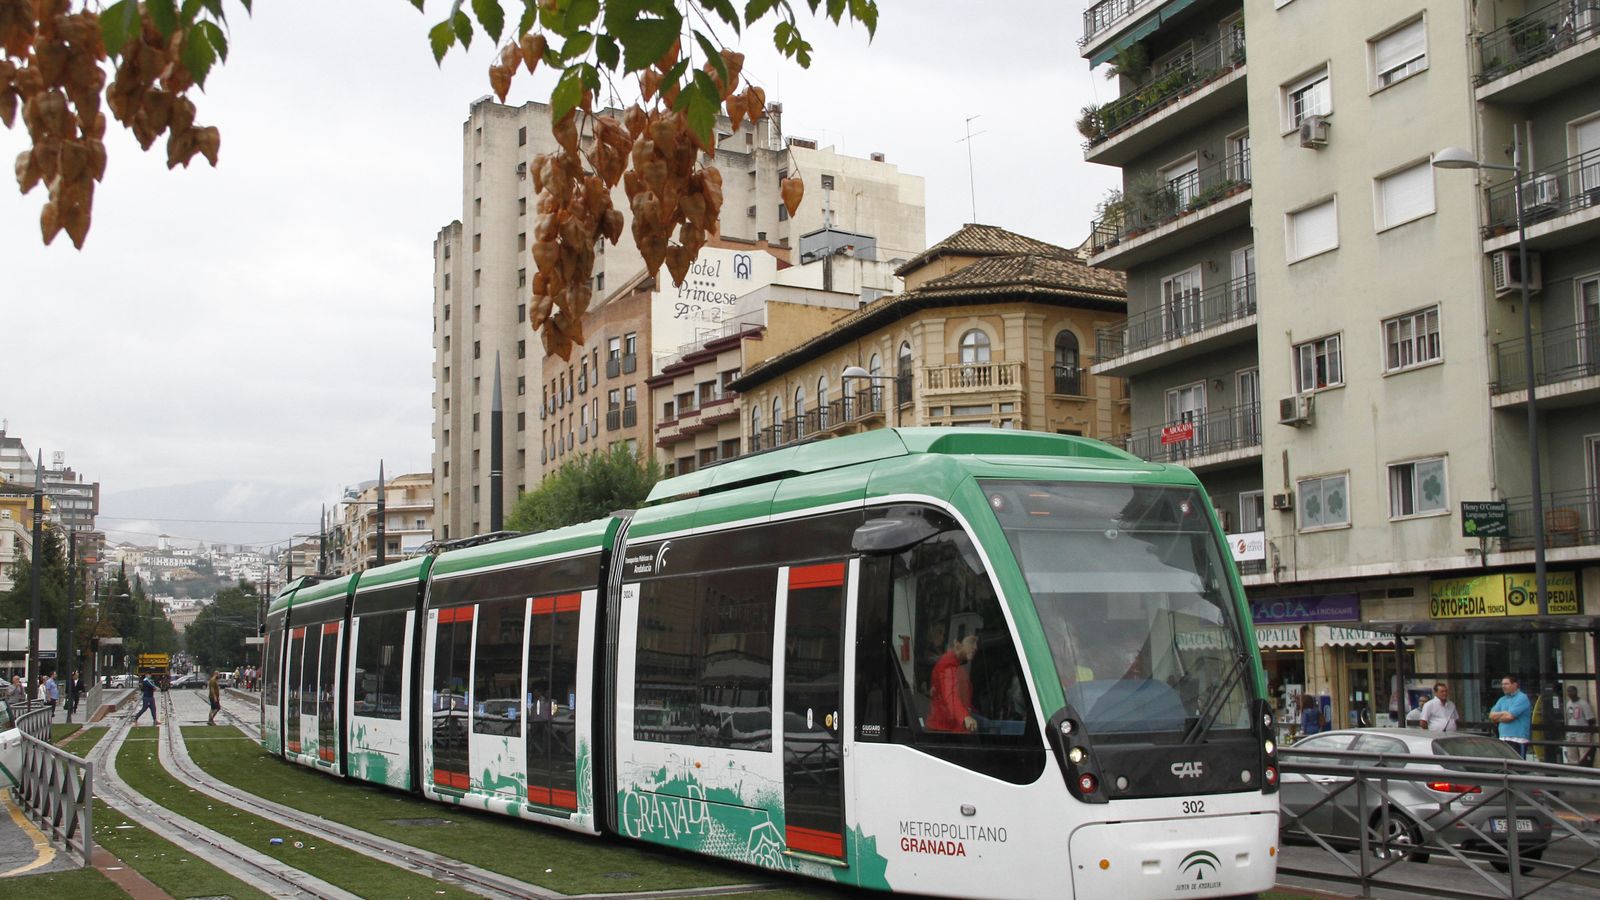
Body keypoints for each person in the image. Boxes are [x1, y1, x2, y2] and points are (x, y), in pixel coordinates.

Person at [927, 633, 980, 733]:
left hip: (952, 726)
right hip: (946, 729)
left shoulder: (957, 665)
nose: (975, 647)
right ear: (957, 643)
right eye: (971, 642)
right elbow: (950, 696)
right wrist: (965, 717)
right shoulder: (948, 665)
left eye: (976, 642)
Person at [1489, 674, 1532, 758]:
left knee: (1518, 767)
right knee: (1505, 767)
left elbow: (1509, 717)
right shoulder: (1502, 699)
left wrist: (1499, 717)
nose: (1503, 686)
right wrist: (1504, 713)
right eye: (1502, 684)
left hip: (1518, 740)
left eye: (1506, 684)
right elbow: (1491, 716)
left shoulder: (1522, 698)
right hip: (1503, 739)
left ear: (1515, 684)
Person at [1565, 685, 1596, 767]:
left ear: (1576, 692)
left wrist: (1590, 732)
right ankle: (1573, 771)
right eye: (1568, 691)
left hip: (1582, 733)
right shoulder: (1568, 704)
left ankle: (1584, 771)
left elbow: (1591, 719)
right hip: (1571, 732)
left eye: (1571, 691)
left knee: (1584, 752)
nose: (1569, 693)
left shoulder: (1583, 704)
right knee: (1571, 754)